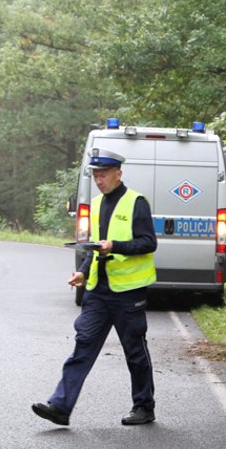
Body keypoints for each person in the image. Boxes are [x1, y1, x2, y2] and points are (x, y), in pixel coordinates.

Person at [32, 147, 158, 426]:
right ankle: (60, 406)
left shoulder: (136, 203)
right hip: (98, 292)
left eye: (104, 175)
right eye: (96, 175)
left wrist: (116, 246)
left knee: (135, 352)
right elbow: (94, 247)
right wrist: (82, 271)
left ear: (118, 174)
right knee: (83, 346)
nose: (99, 180)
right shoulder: (98, 204)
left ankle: (144, 407)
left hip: (128, 293)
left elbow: (149, 243)